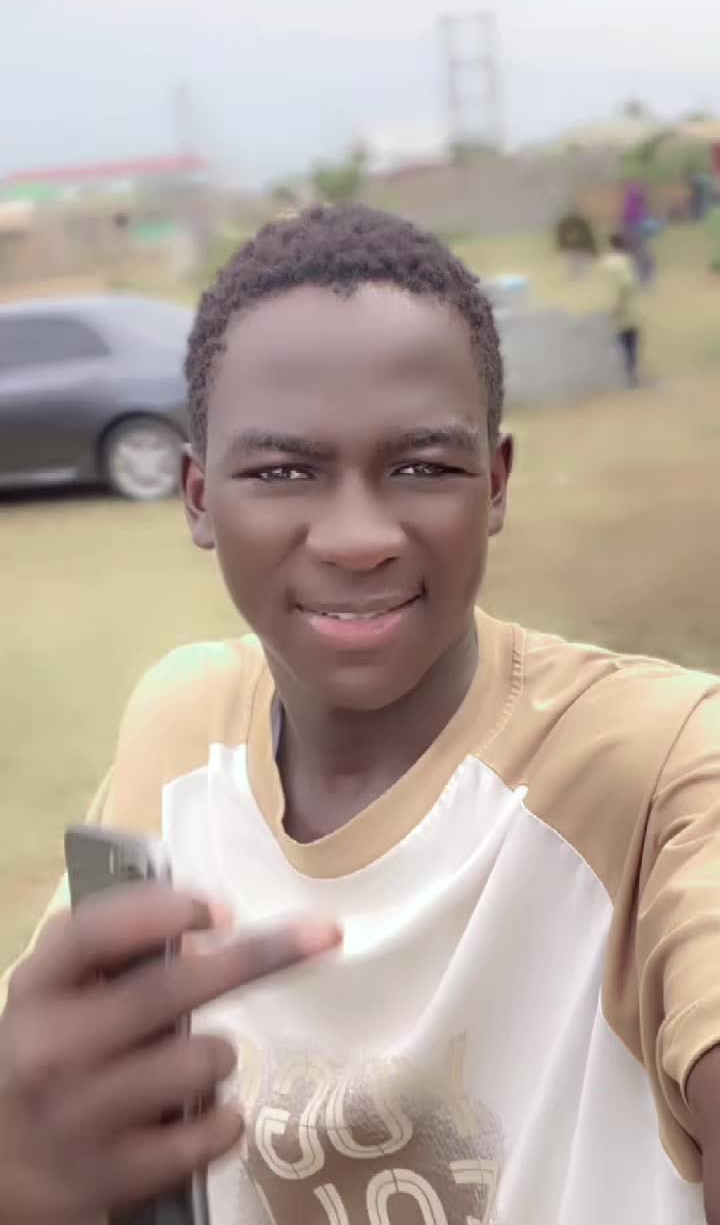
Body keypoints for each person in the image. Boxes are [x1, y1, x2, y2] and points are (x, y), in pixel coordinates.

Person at [2, 203, 720, 1225]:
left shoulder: (659, 766)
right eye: (282, 471)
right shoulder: (181, 725)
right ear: (199, 497)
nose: (355, 536)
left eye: (422, 467)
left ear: (495, 483)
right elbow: (72, 1098)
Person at [602, 230, 642, 386]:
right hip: (624, 308)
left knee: (615, 342)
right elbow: (627, 285)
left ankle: (617, 374)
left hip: (608, 308)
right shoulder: (625, 262)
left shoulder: (604, 262)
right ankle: (629, 375)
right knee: (629, 342)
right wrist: (620, 304)